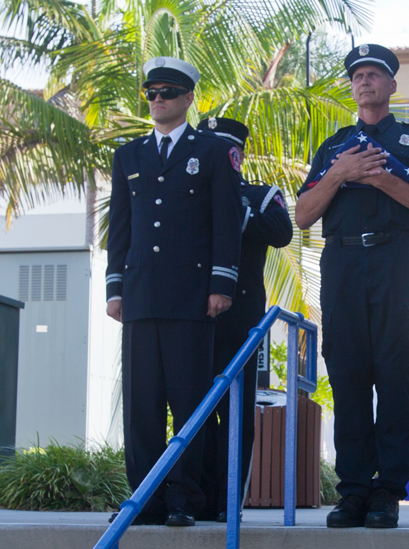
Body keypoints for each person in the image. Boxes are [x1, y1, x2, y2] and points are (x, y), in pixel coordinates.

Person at [295, 43, 409, 529]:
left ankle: (388, 491)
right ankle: (354, 491)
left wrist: (384, 181)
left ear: (391, 85)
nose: (365, 82)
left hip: (397, 259)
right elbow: (302, 214)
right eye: (358, 75)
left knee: (393, 373)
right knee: (347, 376)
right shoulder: (333, 146)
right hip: (342, 261)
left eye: (375, 75)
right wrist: (341, 173)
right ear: (352, 86)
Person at [105, 57, 243, 527]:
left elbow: (226, 222)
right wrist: (115, 288)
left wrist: (221, 283)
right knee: (141, 405)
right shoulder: (128, 155)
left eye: (167, 92)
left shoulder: (213, 150)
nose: (157, 100)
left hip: (191, 296)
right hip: (141, 296)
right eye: (151, 93)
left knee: (189, 401)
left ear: (187, 98)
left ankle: (184, 499)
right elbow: (119, 228)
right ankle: (143, 498)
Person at [194, 116, 293, 522]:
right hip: (193, 317)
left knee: (236, 410)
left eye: (225, 149)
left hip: (240, 318)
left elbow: (281, 231)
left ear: (237, 155)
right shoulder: (188, 192)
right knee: (193, 409)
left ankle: (227, 500)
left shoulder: (261, 195)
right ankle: (196, 496)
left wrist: (234, 205)